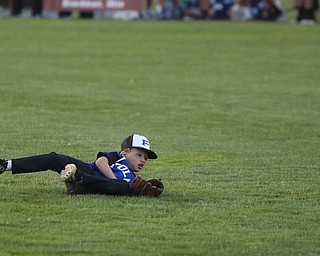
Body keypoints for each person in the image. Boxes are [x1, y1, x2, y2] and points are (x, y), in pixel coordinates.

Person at [0, 134, 157, 196]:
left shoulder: (133, 179)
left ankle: (77, 177)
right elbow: (100, 162)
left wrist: (126, 187)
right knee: (55, 158)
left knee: (123, 188)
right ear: (124, 153)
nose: (143, 160)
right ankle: (6, 165)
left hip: (88, 185)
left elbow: (121, 189)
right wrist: (113, 179)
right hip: (86, 172)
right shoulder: (117, 157)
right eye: (139, 155)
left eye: (145, 157)